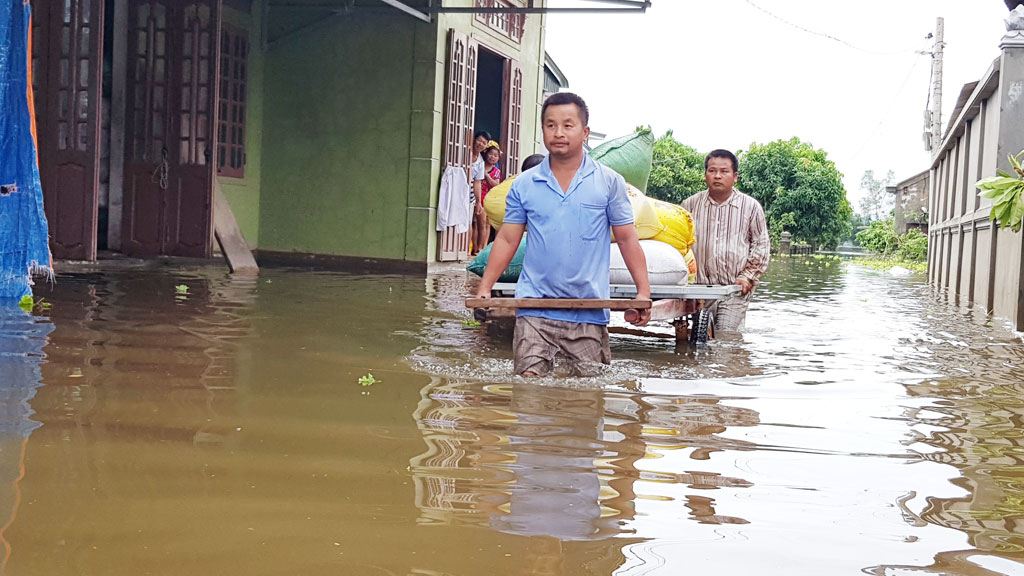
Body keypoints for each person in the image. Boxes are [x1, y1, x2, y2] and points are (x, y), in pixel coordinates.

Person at [475, 92, 651, 377]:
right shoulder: (525, 185)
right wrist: (485, 288)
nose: (558, 133)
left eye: (568, 125)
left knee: (586, 400)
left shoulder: (608, 182)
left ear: (585, 132)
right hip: (534, 309)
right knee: (528, 393)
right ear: (543, 129)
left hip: (589, 310)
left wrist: (643, 292)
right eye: (550, 125)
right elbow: (508, 239)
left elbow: (628, 238)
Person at [681, 149, 770, 332]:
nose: (717, 176)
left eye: (724, 171)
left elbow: (761, 245)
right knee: (699, 338)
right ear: (705, 174)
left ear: (735, 176)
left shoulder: (750, 207)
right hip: (698, 289)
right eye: (712, 171)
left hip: (734, 288)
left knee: (725, 336)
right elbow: (679, 244)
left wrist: (747, 277)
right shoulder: (689, 205)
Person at [469, 130, 491, 255]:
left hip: (470, 193)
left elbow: (477, 182)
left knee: (468, 222)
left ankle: (466, 249)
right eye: (479, 141)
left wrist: (478, 202)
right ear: (474, 139)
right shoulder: (465, 153)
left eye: (484, 143)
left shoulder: (481, 162)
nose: (480, 144)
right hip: (458, 188)